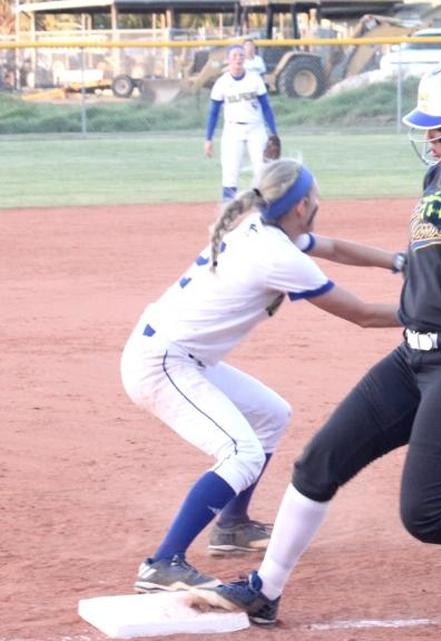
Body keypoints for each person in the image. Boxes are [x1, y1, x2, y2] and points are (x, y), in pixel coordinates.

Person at [194, 58, 441, 628]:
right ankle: (265, 589)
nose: (432, 135)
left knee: (427, 514)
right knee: (317, 465)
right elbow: (426, 266)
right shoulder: (440, 175)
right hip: (414, 355)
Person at [122, 159, 405, 592]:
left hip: (176, 355)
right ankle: (162, 562)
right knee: (241, 452)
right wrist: (436, 313)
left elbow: (332, 247)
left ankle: (231, 526)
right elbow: (362, 315)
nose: (319, 204)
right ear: (300, 206)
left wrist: (400, 262)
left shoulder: (266, 230)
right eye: (315, 198)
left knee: (271, 413)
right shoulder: (277, 256)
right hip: (163, 363)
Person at [205, 45, 278, 202]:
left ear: (245, 59)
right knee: (230, 173)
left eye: (241, 55)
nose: (238, 58)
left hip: (255, 129)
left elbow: (266, 107)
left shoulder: (254, 79)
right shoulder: (222, 83)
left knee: (262, 171)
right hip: (233, 130)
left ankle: (263, 209)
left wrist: (274, 132)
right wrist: (208, 139)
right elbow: (213, 113)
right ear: (228, 60)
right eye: (235, 55)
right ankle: (228, 213)